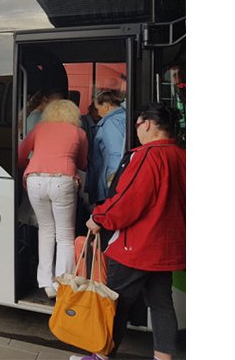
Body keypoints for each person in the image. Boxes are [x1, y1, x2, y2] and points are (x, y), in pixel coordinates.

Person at [71, 103, 185, 360]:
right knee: (161, 304)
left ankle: (100, 356)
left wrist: (99, 218)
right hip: (165, 248)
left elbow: (128, 200)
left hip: (137, 245)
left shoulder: (146, 156)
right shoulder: (182, 155)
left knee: (114, 302)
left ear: (147, 124)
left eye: (137, 126)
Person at [17, 99, 88, 298]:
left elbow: (21, 155)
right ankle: (61, 283)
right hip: (63, 181)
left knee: (46, 231)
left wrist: (38, 162)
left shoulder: (39, 129)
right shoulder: (79, 133)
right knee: (65, 236)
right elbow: (82, 163)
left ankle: (45, 282)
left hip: (35, 181)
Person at [86, 90, 127, 205]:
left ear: (106, 105)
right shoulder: (125, 118)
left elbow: (116, 153)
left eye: (97, 109)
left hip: (111, 179)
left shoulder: (111, 123)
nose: (97, 113)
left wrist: (112, 180)